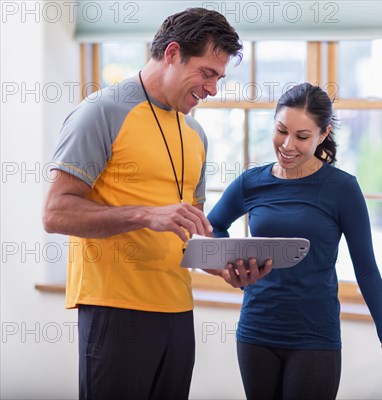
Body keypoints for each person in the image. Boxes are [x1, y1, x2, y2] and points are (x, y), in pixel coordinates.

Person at [42, 8, 271, 399]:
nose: (213, 88)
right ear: (171, 53)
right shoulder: (101, 112)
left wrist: (225, 268)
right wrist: (145, 214)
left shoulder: (195, 132)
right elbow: (55, 213)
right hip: (115, 310)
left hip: (178, 313)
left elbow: (188, 233)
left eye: (219, 77)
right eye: (207, 73)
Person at [207, 82, 382, 400]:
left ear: (323, 135)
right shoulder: (251, 183)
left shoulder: (342, 189)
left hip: (315, 337)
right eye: (281, 131)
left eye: (302, 136)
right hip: (256, 331)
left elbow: (365, 267)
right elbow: (214, 227)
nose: (287, 145)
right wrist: (234, 267)